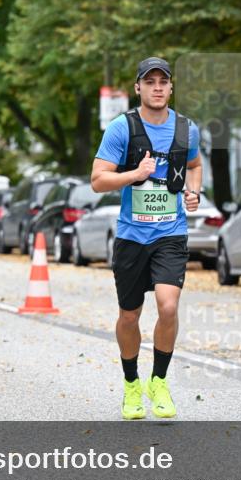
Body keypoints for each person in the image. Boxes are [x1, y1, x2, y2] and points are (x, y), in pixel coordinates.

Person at [91, 57, 202, 420]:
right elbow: (98, 180)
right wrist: (134, 174)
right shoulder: (121, 128)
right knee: (129, 315)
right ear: (138, 88)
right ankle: (131, 384)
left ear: (171, 87)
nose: (157, 87)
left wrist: (194, 192)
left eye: (163, 82)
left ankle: (159, 381)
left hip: (171, 232)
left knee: (168, 307)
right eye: (149, 82)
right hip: (132, 236)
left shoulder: (187, 130)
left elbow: (195, 165)